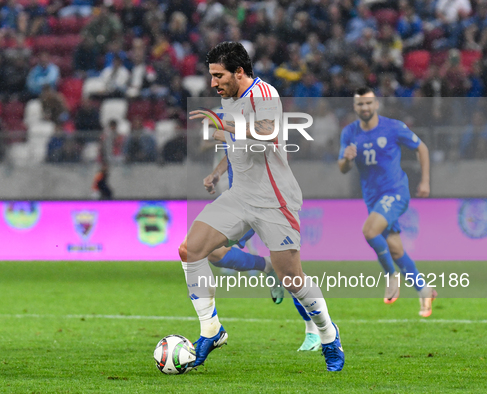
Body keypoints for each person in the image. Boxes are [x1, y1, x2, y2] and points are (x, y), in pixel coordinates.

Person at [181, 42, 344, 371]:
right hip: (239, 196)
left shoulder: (263, 94)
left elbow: (268, 135)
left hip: (274, 200)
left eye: (218, 75)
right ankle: (211, 331)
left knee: (293, 279)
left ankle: (328, 334)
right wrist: (216, 172)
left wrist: (223, 126)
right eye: (211, 76)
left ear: (239, 72)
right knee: (191, 250)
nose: (213, 83)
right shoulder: (229, 99)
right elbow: (236, 146)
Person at [203, 154, 322, 352]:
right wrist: (217, 173)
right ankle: (267, 266)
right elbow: (233, 150)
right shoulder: (233, 128)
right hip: (239, 203)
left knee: (291, 274)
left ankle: (314, 329)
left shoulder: (259, 125)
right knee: (214, 252)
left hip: (271, 203)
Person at [338, 87, 437, 317]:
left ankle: (391, 276)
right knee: (395, 248)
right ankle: (423, 289)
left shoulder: (393, 127)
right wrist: (347, 159)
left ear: (376, 105)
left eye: (368, 103)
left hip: (396, 192)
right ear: (355, 107)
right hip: (372, 198)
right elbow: (343, 169)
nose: (365, 108)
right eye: (360, 104)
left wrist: (425, 181)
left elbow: (421, 147)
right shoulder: (349, 133)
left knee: (369, 230)